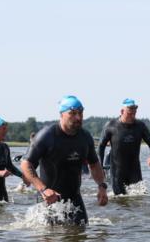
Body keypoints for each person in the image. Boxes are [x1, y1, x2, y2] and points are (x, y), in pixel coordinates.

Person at [21, 95, 108, 225]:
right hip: (49, 199)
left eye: (80, 113)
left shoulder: (85, 137)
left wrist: (102, 186)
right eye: (72, 113)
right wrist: (43, 189)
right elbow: (25, 164)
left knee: (80, 237)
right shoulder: (46, 136)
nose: (78, 117)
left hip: (75, 199)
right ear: (61, 115)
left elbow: (94, 164)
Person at [98, 97, 150, 195]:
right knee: (119, 199)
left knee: (139, 198)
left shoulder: (140, 126)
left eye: (134, 113)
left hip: (135, 170)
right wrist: (100, 166)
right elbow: (101, 146)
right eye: (130, 113)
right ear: (122, 111)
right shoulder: (111, 126)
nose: (132, 116)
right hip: (117, 171)